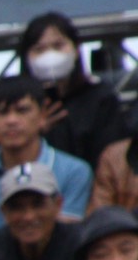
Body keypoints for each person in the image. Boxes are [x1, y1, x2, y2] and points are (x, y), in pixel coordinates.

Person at [0, 77, 95, 237]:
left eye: (22, 110)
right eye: (2, 112)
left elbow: (67, 237)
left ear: (43, 114)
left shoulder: (74, 171)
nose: (11, 120)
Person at [16, 12, 132, 170]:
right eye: (40, 49)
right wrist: (33, 132)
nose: (50, 55)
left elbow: (115, 156)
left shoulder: (99, 98)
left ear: (76, 49)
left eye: (58, 46)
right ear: (27, 57)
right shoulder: (15, 103)